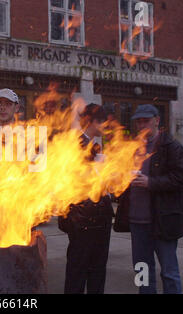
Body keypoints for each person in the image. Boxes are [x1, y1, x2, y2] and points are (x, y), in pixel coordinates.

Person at [116, 104, 183, 294]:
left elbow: (182, 178)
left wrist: (151, 182)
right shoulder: (132, 149)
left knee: (169, 271)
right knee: (141, 270)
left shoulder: (171, 147)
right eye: (139, 121)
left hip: (162, 220)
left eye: (146, 120)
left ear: (157, 120)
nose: (142, 125)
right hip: (137, 222)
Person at [58, 103, 114, 294]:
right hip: (83, 218)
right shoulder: (77, 145)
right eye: (103, 123)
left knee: (97, 269)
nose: (105, 127)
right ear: (92, 121)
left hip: (97, 217)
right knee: (79, 269)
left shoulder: (95, 146)